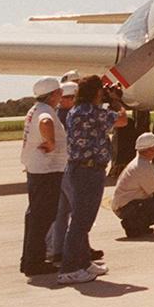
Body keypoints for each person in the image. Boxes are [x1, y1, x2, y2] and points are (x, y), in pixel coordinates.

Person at [59, 76, 127, 285]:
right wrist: (115, 100)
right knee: (81, 222)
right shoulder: (92, 112)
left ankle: (83, 262)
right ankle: (69, 269)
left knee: (81, 220)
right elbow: (122, 120)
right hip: (88, 172)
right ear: (97, 92)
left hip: (78, 169)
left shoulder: (76, 110)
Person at [19, 77, 67, 277]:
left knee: (35, 216)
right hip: (47, 171)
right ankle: (34, 262)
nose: (61, 95)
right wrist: (51, 142)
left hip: (37, 169)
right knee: (43, 217)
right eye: (59, 92)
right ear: (53, 94)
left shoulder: (35, 109)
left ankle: (28, 259)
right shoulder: (45, 112)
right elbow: (45, 123)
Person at [45, 81, 79, 265]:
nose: (71, 100)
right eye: (69, 97)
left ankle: (57, 249)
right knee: (78, 209)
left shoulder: (57, 114)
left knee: (62, 211)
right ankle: (78, 248)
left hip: (59, 168)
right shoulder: (70, 116)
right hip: (66, 168)